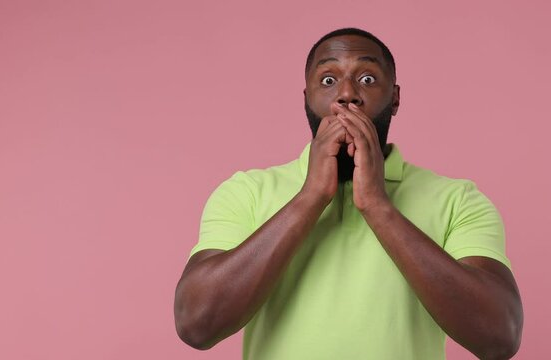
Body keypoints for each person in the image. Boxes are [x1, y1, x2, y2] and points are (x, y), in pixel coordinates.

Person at [174, 27, 523, 359]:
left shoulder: (458, 199)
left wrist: (376, 205)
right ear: (307, 98)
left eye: (367, 79)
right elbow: (197, 324)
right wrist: (309, 197)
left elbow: (499, 337)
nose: (347, 94)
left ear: (396, 98)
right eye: (328, 80)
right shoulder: (246, 192)